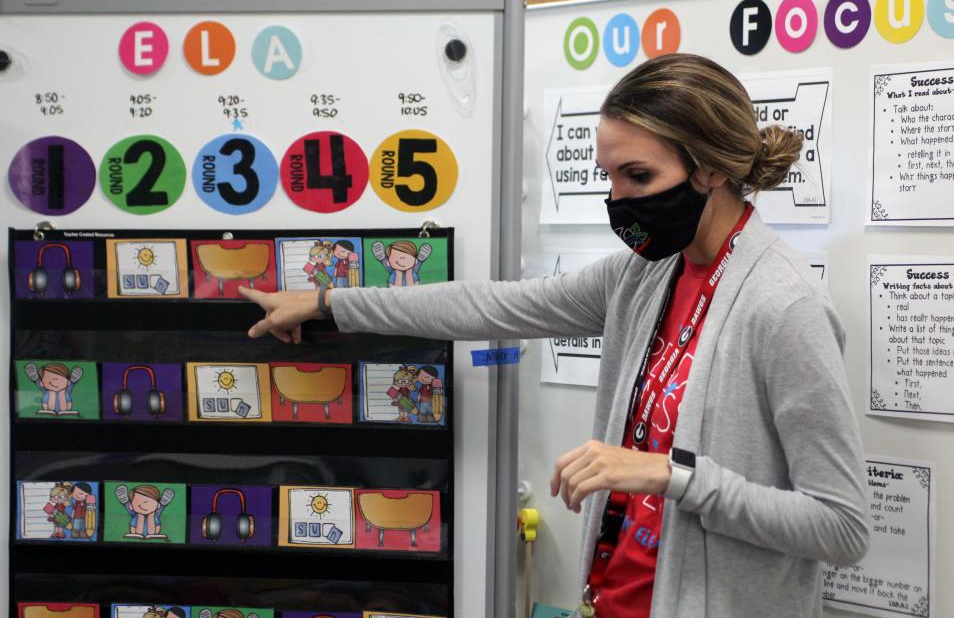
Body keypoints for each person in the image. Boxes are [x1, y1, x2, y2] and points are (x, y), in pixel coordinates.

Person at [239, 54, 869, 617]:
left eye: (638, 177)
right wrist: (327, 302)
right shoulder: (649, 272)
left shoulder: (785, 305)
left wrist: (670, 475)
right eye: (609, 176)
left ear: (708, 170)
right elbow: (495, 305)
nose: (616, 198)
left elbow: (840, 526)